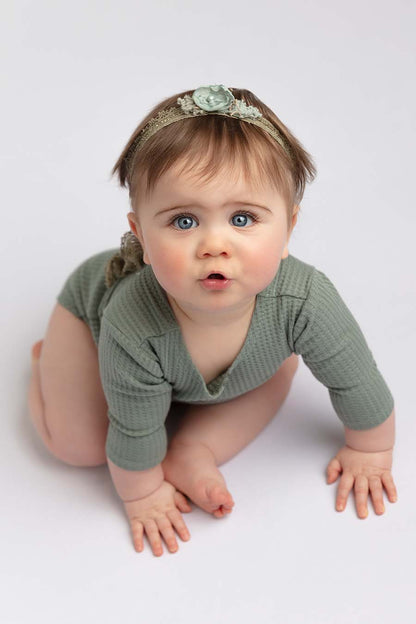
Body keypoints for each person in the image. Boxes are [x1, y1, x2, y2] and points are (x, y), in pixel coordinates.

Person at [27, 84, 397, 557]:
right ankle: (48, 363)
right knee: (78, 447)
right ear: (140, 234)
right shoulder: (132, 322)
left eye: (243, 219)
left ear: (289, 228)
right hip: (89, 324)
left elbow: (357, 380)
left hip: (207, 367)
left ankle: (193, 450)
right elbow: (136, 432)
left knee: (277, 370)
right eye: (184, 221)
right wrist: (142, 494)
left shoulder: (304, 298)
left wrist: (369, 448)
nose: (215, 245)